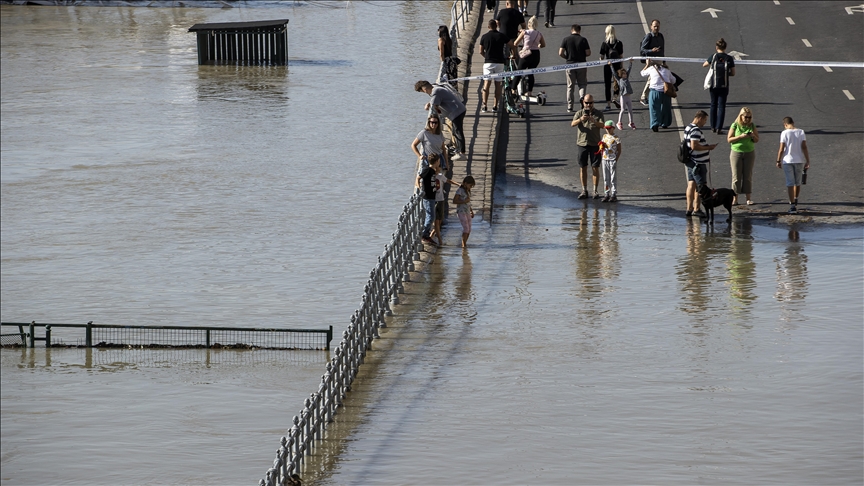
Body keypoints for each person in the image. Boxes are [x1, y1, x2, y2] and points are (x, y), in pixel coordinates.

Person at [415, 80, 467, 161]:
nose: (425, 93)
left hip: (456, 112)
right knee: (455, 131)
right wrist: (430, 103)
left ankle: (462, 153)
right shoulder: (436, 87)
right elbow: (435, 101)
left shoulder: (435, 91)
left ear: (424, 89)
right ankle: (458, 150)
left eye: (423, 91)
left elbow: (434, 106)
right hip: (458, 110)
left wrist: (429, 107)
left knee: (458, 132)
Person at [570, 94, 605, 199]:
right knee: (583, 167)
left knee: (595, 167)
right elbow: (572, 124)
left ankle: (595, 190)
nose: (589, 105)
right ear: (583, 102)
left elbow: (603, 125)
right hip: (582, 144)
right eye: (586, 103)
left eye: (591, 103)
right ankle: (584, 190)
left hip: (595, 144)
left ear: (593, 103)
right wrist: (581, 119)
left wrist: (594, 121)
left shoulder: (598, 114)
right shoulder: (579, 113)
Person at [684, 110, 718, 218]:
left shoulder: (688, 128)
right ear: (700, 118)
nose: (704, 123)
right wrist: (708, 147)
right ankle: (697, 209)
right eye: (705, 120)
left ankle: (689, 208)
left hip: (690, 161)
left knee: (691, 185)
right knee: (701, 187)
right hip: (698, 163)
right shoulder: (696, 131)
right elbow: (694, 146)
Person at [776, 117, 810, 214]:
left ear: (785, 125)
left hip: (788, 160)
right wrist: (807, 160)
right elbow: (804, 146)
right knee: (797, 182)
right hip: (799, 160)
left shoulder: (784, 133)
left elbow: (781, 148)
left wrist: (778, 160)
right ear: (793, 123)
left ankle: (792, 205)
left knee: (790, 183)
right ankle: (796, 198)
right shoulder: (801, 132)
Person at [726, 107, 759, 205]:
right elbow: (729, 139)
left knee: (747, 176)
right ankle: (735, 199)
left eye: (749, 117)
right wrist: (741, 136)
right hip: (737, 152)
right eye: (746, 117)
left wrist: (752, 136)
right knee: (736, 177)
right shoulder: (735, 125)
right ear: (741, 116)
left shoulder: (752, 125)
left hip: (749, 152)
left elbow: (757, 140)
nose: (747, 119)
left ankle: (748, 198)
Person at [703, 38, 735, 134]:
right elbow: (733, 73)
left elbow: (704, 65)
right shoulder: (729, 58)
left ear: (716, 47)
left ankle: (712, 126)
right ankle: (719, 127)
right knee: (722, 106)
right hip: (724, 86)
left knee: (713, 104)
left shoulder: (713, 57)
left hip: (714, 85)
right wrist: (725, 74)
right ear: (725, 47)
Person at [478, 19, 509, 113]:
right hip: (499, 63)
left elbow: (480, 51)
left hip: (488, 63)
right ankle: (495, 106)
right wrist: (513, 54)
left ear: (488, 27)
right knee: (498, 84)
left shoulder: (484, 37)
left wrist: (486, 56)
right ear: (496, 26)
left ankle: (484, 105)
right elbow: (512, 44)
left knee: (486, 84)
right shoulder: (501, 36)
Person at [559, 24, 591, 112]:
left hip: (570, 64)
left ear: (571, 30)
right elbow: (588, 53)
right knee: (582, 84)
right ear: (579, 31)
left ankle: (570, 106)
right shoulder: (583, 40)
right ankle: (582, 98)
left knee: (570, 86)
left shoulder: (566, 39)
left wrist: (567, 57)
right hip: (581, 64)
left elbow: (560, 53)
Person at [512, 16, 546, 98]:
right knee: (531, 73)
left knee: (519, 72)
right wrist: (537, 45)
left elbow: (515, 43)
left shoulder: (525, 32)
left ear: (528, 24)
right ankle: (529, 92)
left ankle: (513, 90)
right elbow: (543, 45)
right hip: (536, 55)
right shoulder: (539, 33)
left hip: (526, 54)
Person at [640, 59, 673, 132]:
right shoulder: (667, 70)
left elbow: (642, 73)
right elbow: (673, 80)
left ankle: (655, 124)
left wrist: (647, 65)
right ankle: (665, 123)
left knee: (654, 108)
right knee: (666, 108)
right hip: (665, 93)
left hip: (654, 91)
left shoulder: (651, 69)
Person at [638, 19, 665, 105]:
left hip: (659, 60)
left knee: (662, 78)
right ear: (651, 26)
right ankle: (643, 97)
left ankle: (659, 96)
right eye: (654, 26)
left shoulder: (661, 36)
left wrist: (664, 61)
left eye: (657, 26)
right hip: (651, 60)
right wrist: (651, 51)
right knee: (652, 78)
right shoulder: (648, 36)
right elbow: (642, 50)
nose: (656, 28)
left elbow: (662, 49)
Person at [418, 154, 442, 246]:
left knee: (431, 216)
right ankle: (424, 235)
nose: (439, 163)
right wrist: (419, 186)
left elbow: (433, 178)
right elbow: (419, 177)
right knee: (430, 217)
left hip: (432, 196)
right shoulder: (427, 170)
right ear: (436, 162)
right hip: (428, 197)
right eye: (439, 161)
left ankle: (426, 234)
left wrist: (437, 171)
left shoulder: (432, 171)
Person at [599, 25, 623, 111]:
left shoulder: (604, 43)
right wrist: (621, 66)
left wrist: (601, 59)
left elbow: (601, 57)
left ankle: (608, 104)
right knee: (617, 82)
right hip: (617, 64)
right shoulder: (619, 43)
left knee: (607, 84)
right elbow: (621, 56)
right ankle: (615, 97)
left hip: (607, 65)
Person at [600, 120, 622, 202]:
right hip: (605, 158)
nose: (608, 130)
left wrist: (616, 159)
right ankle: (606, 193)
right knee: (606, 177)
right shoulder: (604, 136)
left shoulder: (616, 138)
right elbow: (602, 145)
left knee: (613, 177)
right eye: (606, 128)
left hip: (612, 159)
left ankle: (614, 193)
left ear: (613, 128)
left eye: (609, 128)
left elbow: (619, 150)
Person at [453, 175, 476, 248]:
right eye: (470, 185)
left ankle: (465, 243)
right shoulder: (460, 190)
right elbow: (454, 201)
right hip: (461, 211)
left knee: (469, 229)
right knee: (466, 228)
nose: (470, 187)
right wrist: (464, 201)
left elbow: (468, 203)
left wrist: (471, 211)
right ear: (465, 183)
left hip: (467, 211)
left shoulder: (468, 191)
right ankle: (463, 245)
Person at [612, 60, 635, 130]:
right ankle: (619, 122)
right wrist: (611, 66)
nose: (625, 75)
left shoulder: (627, 78)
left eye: (625, 74)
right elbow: (614, 73)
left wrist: (630, 63)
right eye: (623, 74)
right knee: (622, 110)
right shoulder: (619, 80)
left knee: (630, 110)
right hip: (623, 97)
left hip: (628, 96)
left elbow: (629, 70)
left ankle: (631, 122)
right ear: (620, 75)